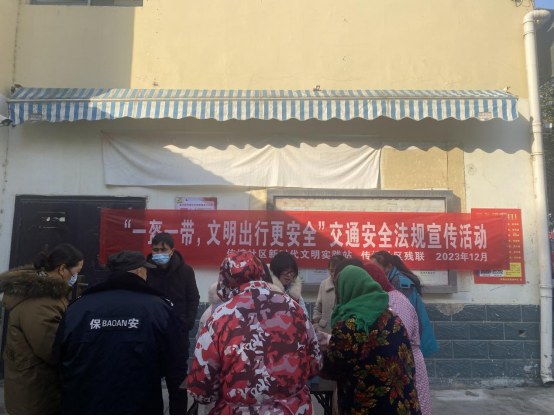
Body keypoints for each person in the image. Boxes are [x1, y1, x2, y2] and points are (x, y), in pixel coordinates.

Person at [54, 250, 188, 415]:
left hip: (86, 406)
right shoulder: (159, 308)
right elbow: (176, 368)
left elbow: (58, 359)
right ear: (139, 272)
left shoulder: (78, 308)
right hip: (141, 407)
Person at [187, 250, 321, 415]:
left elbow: (200, 389)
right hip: (293, 410)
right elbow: (315, 364)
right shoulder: (294, 308)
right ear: (263, 274)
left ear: (225, 279)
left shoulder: (219, 317)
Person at [319, 265, 421, 415]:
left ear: (346, 290)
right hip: (402, 404)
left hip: (368, 406)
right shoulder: (393, 317)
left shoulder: (351, 325)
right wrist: (331, 339)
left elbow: (330, 368)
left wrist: (311, 350)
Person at [0, 243, 83, 415]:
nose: (76, 277)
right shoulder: (42, 300)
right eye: (76, 271)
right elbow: (51, 349)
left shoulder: (41, 291)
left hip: (29, 383)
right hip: (36, 390)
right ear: (62, 269)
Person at [364, 263, 432, 415]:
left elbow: (398, 337)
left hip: (406, 363)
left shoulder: (392, 300)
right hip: (404, 362)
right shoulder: (389, 297)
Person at [370, 251, 438, 357]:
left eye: (376, 268)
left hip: (411, 339)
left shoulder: (401, 283)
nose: (373, 272)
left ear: (389, 267)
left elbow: (405, 317)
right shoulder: (388, 281)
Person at [146, 233, 200, 367]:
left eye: (163, 249)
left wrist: (187, 322)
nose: (159, 253)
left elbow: (193, 298)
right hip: (152, 331)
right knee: (151, 371)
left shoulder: (186, 271)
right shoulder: (146, 270)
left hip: (178, 331)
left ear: (172, 251)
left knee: (177, 372)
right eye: (156, 250)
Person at [269, 251, 309, 316]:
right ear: (276, 270)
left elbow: (304, 315)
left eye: (292, 272)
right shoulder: (267, 290)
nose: (289, 275)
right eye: (285, 271)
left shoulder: (295, 293)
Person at [313, 254, 345, 333]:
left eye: (336, 270)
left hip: (343, 332)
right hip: (324, 331)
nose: (333, 274)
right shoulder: (324, 285)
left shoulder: (348, 285)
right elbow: (318, 308)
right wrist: (317, 327)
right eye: (331, 270)